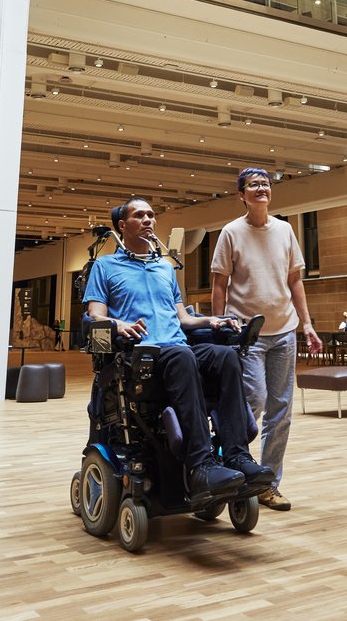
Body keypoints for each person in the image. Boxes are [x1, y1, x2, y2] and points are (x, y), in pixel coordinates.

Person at [87, 196, 272, 503]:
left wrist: (211, 320)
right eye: (139, 215)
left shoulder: (164, 267)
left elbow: (183, 318)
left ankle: (238, 457)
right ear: (122, 225)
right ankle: (201, 465)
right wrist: (118, 324)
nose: (148, 220)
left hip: (177, 347)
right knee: (183, 355)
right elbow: (95, 314)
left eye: (151, 215)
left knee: (225, 356)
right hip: (142, 353)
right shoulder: (105, 266)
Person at [211, 167, 322, 512]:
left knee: (281, 411)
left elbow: (295, 281)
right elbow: (219, 283)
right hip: (248, 334)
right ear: (242, 195)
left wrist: (307, 324)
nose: (262, 188)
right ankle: (232, 465)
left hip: (284, 331)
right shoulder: (231, 232)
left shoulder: (285, 230)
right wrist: (219, 324)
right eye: (254, 185)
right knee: (254, 401)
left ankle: (268, 484)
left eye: (266, 184)